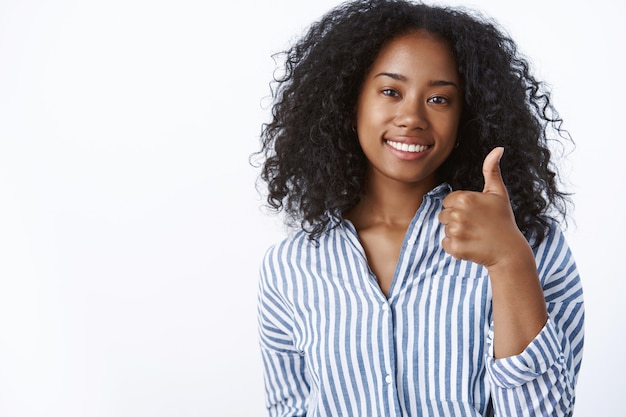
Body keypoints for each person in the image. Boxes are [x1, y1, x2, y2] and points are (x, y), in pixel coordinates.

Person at [254, 0, 584, 415]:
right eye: (391, 91)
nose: (411, 117)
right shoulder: (290, 266)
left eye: (440, 100)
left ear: (468, 114)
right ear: (349, 100)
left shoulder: (532, 247)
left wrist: (508, 261)